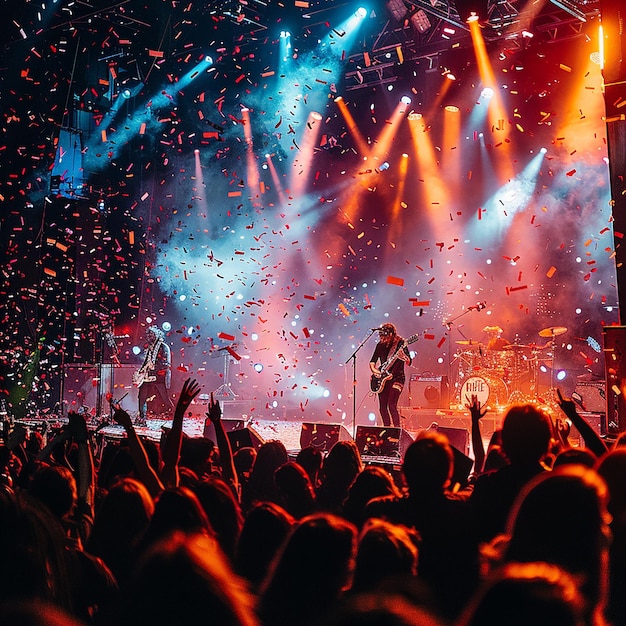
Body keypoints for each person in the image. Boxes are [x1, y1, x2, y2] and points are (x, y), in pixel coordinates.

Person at [369, 323, 412, 427]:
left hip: (398, 378)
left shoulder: (401, 343)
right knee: (382, 407)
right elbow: (372, 361)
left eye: (386, 337)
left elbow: (409, 362)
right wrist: (375, 371)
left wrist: (404, 357)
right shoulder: (380, 345)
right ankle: (387, 429)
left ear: (392, 334)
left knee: (392, 405)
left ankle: (397, 431)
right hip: (383, 378)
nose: (384, 339)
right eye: (382, 337)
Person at [135, 326, 174, 425]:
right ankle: (142, 417)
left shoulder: (164, 347)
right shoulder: (149, 348)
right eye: (148, 334)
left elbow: (166, 363)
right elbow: (146, 362)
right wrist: (140, 371)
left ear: (157, 334)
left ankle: (175, 414)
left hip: (160, 376)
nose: (149, 336)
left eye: (151, 334)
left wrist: (155, 369)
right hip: (149, 376)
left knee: (165, 397)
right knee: (142, 395)